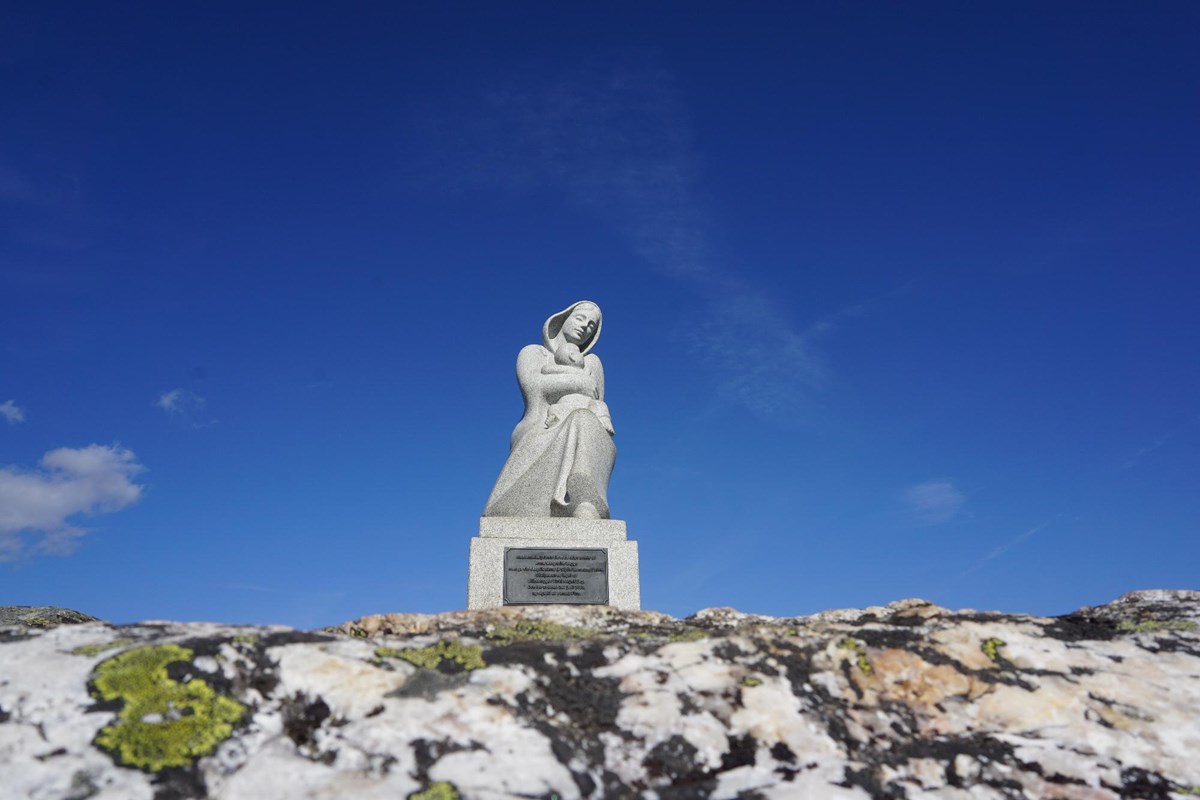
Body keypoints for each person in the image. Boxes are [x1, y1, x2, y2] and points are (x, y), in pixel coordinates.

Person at [483, 300, 616, 519]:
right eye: (580, 318)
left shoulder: (592, 363)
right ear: (563, 320)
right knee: (581, 420)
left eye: (591, 325)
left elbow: (596, 400)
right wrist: (579, 383)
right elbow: (534, 389)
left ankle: (585, 502)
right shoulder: (534, 353)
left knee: (586, 422)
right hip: (541, 426)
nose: (585, 326)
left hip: (582, 421)